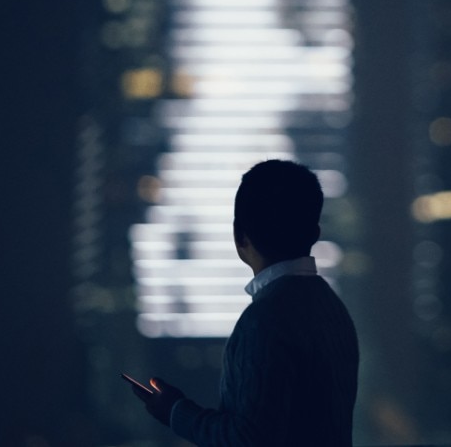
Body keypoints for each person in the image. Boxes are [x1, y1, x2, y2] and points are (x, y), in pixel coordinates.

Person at [129, 159, 359, 446]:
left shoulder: (264, 321)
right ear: (315, 234)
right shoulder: (333, 309)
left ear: (239, 236)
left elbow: (248, 440)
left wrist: (175, 412)